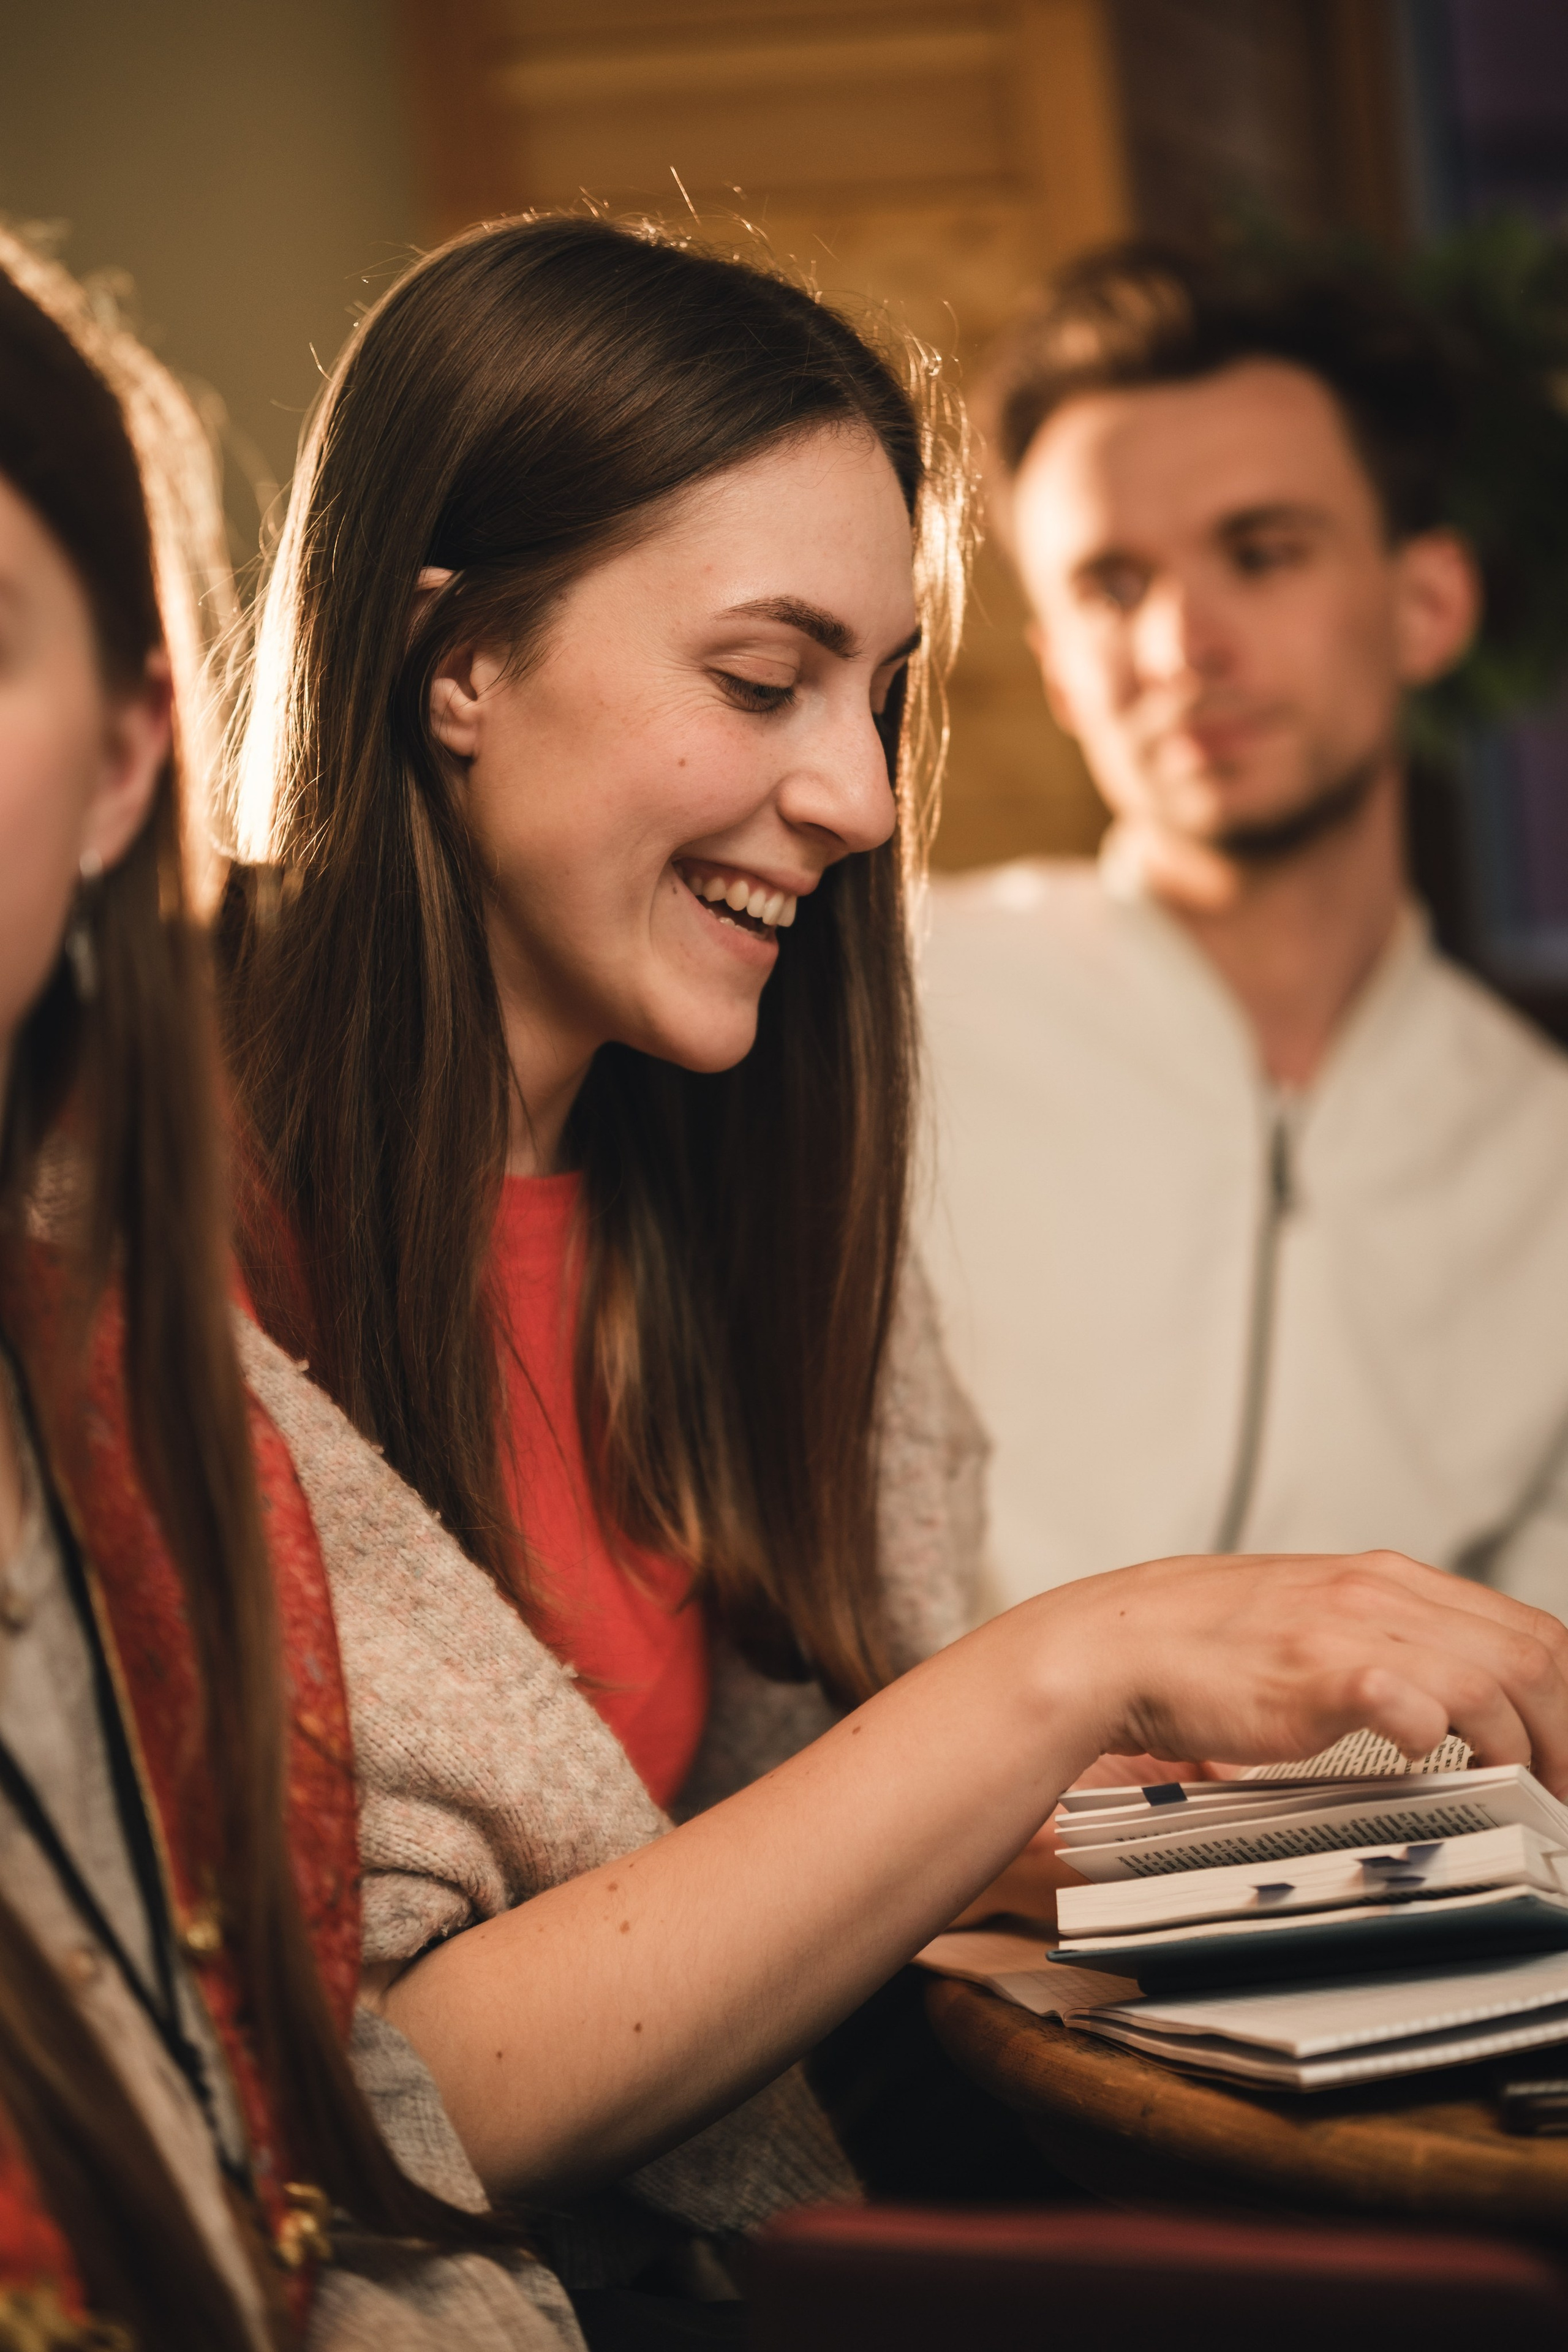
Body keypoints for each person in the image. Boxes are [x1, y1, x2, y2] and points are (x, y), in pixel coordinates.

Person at [210, 213, 1568, 2315]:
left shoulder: (751, 1156)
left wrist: (1265, 1824)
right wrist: (1068, 1668)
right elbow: (354, 2095)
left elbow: (809, 1825)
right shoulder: (139, 1243)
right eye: (764, 680)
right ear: (452, 662)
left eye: (883, 693)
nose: (856, 795)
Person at [0, 229, 591, 2352]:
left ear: (126, 765)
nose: (856, 798)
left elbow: (291, 2185)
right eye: (757, 676)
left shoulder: (166, 1447)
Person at [919, 240, 1568, 1622]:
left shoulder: (1543, 1157)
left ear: (1426, 603)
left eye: (1258, 554)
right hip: (941, 1834)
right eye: (1108, 584)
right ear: (1053, 667)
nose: (1176, 646)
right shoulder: (885, 1014)